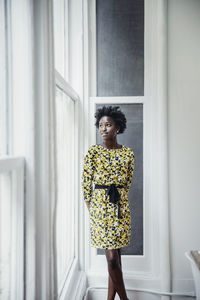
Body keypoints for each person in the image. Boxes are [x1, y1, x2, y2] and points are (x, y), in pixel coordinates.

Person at [82, 105, 135, 300]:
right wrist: (95, 212)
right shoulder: (93, 152)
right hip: (100, 209)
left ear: (117, 128)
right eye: (100, 125)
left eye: (108, 125)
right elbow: (86, 186)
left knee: (116, 260)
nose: (103, 129)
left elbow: (127, 184)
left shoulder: (128, 154)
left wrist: (118, 204)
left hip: (120, 209)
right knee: (112, 259)